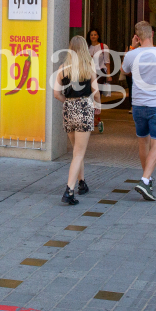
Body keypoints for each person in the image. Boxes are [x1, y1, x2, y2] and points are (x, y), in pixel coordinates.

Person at [122, 21, 156, 201]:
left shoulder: (131, 55)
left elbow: (124, 72)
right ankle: (145, 180)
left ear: (137, 37)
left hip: (138, 105)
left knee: (143, 143)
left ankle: (148, 178)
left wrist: (132, 47)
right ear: (152, 34)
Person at [53, 35, 99, 205]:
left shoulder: (63, 68)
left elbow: (56, 94)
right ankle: (69, 191)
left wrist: (68, 102)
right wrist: (98, 105)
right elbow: (96, 92)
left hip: (69, 109)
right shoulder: (88, 66)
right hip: (84, 108)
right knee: (79, 153)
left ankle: (82, 183)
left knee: (76, 151)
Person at [88, 29, 111, 132]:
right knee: (89, 95)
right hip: (88, 73)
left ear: (98, 36)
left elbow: (107, 62)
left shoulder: (103, 47)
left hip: (100, 73)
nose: (93, 36)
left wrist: (109, 75)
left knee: (97, 95)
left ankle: (96, 117)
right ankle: (91, 117)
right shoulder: (86, 47)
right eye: (91, 35)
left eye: (95, 34)